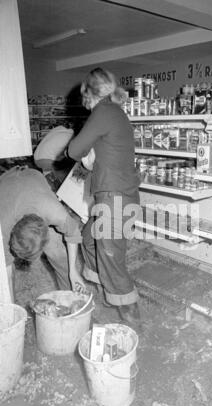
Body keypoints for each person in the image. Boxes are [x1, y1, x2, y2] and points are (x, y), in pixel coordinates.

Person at [65, 67, 142, 327]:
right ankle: (108, 297)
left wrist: (88, 153)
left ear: (90, 93)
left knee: (111, 259)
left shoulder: (103, 111)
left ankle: (133, 321)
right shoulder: (117, 113)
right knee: (89, 242)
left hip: (114, 198)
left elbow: (74, 150)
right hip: (118, 195)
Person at [0, 166, 85, 300]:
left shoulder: (53, 211)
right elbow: (7, 275)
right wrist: (13, 313)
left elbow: (73, 233)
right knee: (6, 274)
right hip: (5, 185)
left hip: (32, 178)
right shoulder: (3, 227)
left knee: (59, 255)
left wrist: (73, 271)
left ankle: (70, 301)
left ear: (46, 227)